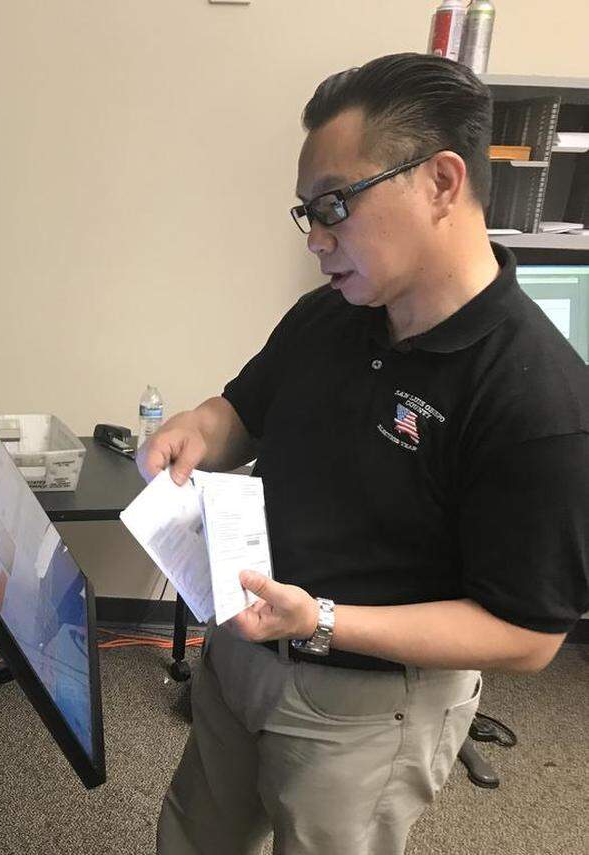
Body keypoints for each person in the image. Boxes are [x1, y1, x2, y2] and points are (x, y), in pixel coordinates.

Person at [144, 53, 589, 855]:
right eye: (307, 212)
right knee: (193, 834)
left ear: (442, 182)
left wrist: (322, 620)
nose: (317, 239)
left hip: (365, 712)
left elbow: (527, 634)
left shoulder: (538, 397)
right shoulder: (331, 314)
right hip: (241, 651)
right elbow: (241, 411)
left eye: (336, 205)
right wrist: (198, 429)